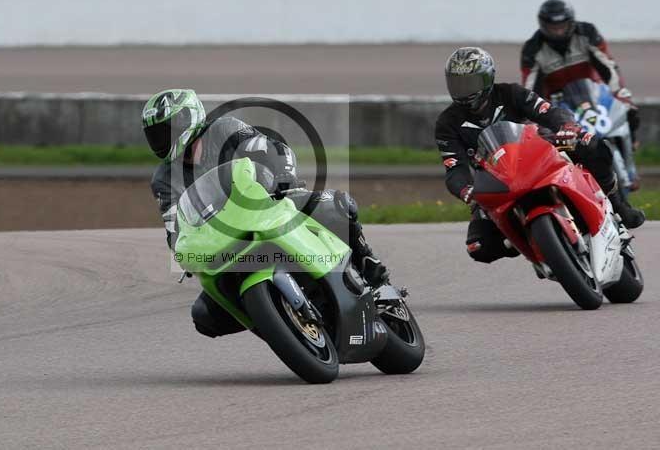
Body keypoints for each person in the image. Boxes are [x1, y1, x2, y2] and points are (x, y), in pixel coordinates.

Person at [142, 88, 389, 338]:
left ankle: (369, 266)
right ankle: (279, 324)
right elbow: (174, 225)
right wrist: (182, 249)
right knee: (204, 316)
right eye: (155, 134)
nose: (162, 139)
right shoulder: (163, 179)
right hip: (226, 240)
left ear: (189, 117)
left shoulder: (224, 128)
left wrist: (283, 175)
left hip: (272, 203)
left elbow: (274, 148)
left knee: (335, 204)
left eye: (167, 129)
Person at [435, 47, 644, 264]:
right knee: (478, 247)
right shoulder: (447, 124)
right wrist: (467, 191)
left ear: (487, 79)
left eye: (469, 83)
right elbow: (454, 168)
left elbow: (548, 111)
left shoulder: (511, 93)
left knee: (593, 146)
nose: (463, 91)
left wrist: (566, 126)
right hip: (496, 181)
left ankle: (619, 206)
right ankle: (521, 241)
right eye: (457, 84)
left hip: (540, 151)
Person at [521, 0, 640, 143]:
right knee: (548, 138)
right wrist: (535, 115)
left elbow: (607, 65)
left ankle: (632, 142)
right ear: (543, 26)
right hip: (559, 104)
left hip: (593, 94)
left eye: (562, 26)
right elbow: (530, 88)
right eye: (553, 28)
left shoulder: (587, 33)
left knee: (630, 110)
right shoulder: (532, 49)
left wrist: (619, 91)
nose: (558, 32)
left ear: (570, 23)